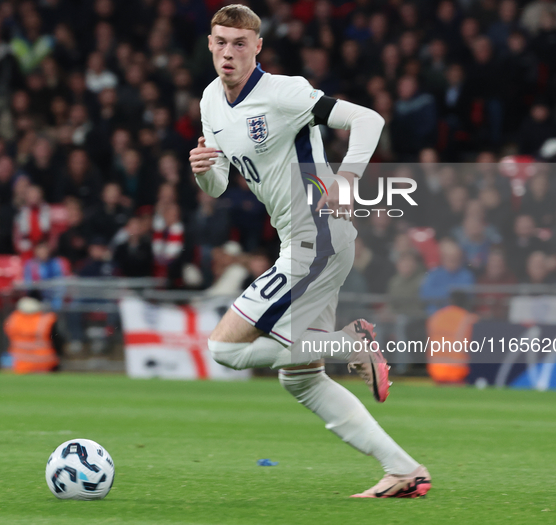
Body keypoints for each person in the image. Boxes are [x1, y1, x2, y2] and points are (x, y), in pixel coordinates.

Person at [189, 5, 430, 499]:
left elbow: (368, 120)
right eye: (220, 42)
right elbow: (217, 185)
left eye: (239, 43)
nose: (228, 52)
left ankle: (351, 344)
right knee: (299, 379)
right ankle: (404, 471)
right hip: (302, 240)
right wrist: (201, 169)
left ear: (258, 47)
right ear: (209, 44)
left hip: (315, 237)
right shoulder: (211, 101)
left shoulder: (284, 93)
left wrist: (347, 179)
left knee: (224, 348)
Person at [3, 296, 62, 374]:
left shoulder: (13, 319)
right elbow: (57, 341)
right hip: (44, 364)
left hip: (18, 363)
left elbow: (6, 339)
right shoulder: (47, 320)